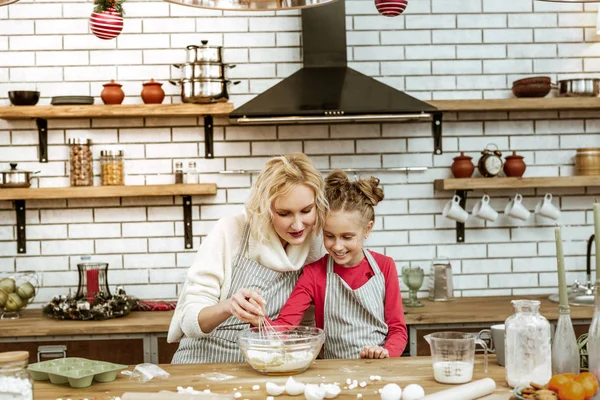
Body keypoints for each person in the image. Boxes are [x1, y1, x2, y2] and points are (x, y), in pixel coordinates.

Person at [167, 153, 328, 363]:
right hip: (204, 357)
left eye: (306, 211)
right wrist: (228, 306)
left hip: (267, 362)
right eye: (284, 213)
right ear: (266, 208)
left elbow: (306, 326)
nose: (298, 225)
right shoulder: (232, 231)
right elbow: (190, 322)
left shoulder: (316, 244)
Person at [246, 170, 408, 359]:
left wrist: (385, 352)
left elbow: (398, 330)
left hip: (379, 367)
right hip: (333, 371)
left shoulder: (384, 267)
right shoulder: (314, 273)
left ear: (367, 229)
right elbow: (283, 328)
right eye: (329, 236)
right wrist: (259, 321)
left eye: (347, 237)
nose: (337, 246)